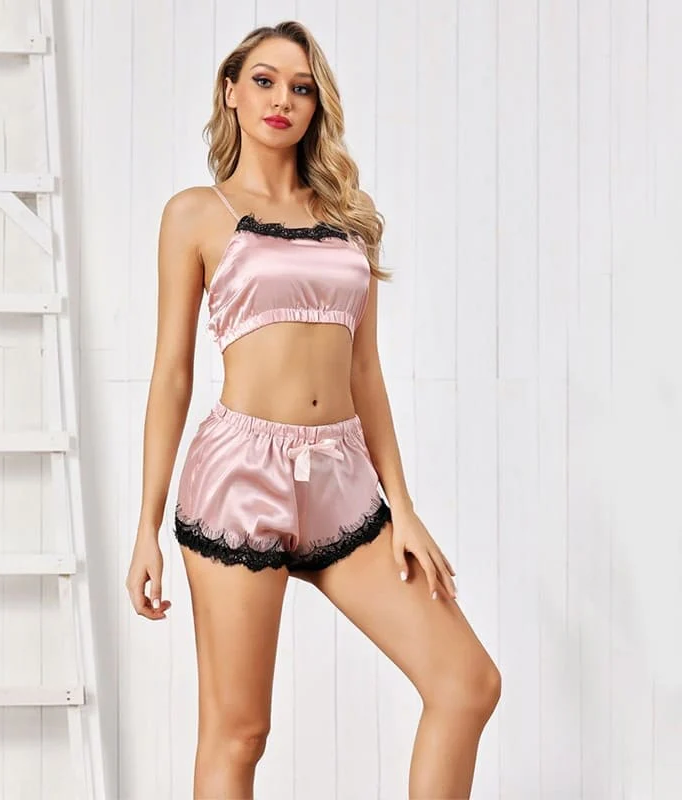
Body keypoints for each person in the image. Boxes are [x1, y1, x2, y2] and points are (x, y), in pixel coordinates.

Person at [125, 19, 501, 800]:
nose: (282, 100)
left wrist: (403, 508)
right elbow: (171, 376)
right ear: (231, 92)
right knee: (239, 733)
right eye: (264, 81)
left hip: (341, 479)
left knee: (466, 683)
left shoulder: (348, 216)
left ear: (316, 104)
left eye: (300, 88)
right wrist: (146, 527)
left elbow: (365, 372)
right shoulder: (196, 213)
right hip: (238, 479)